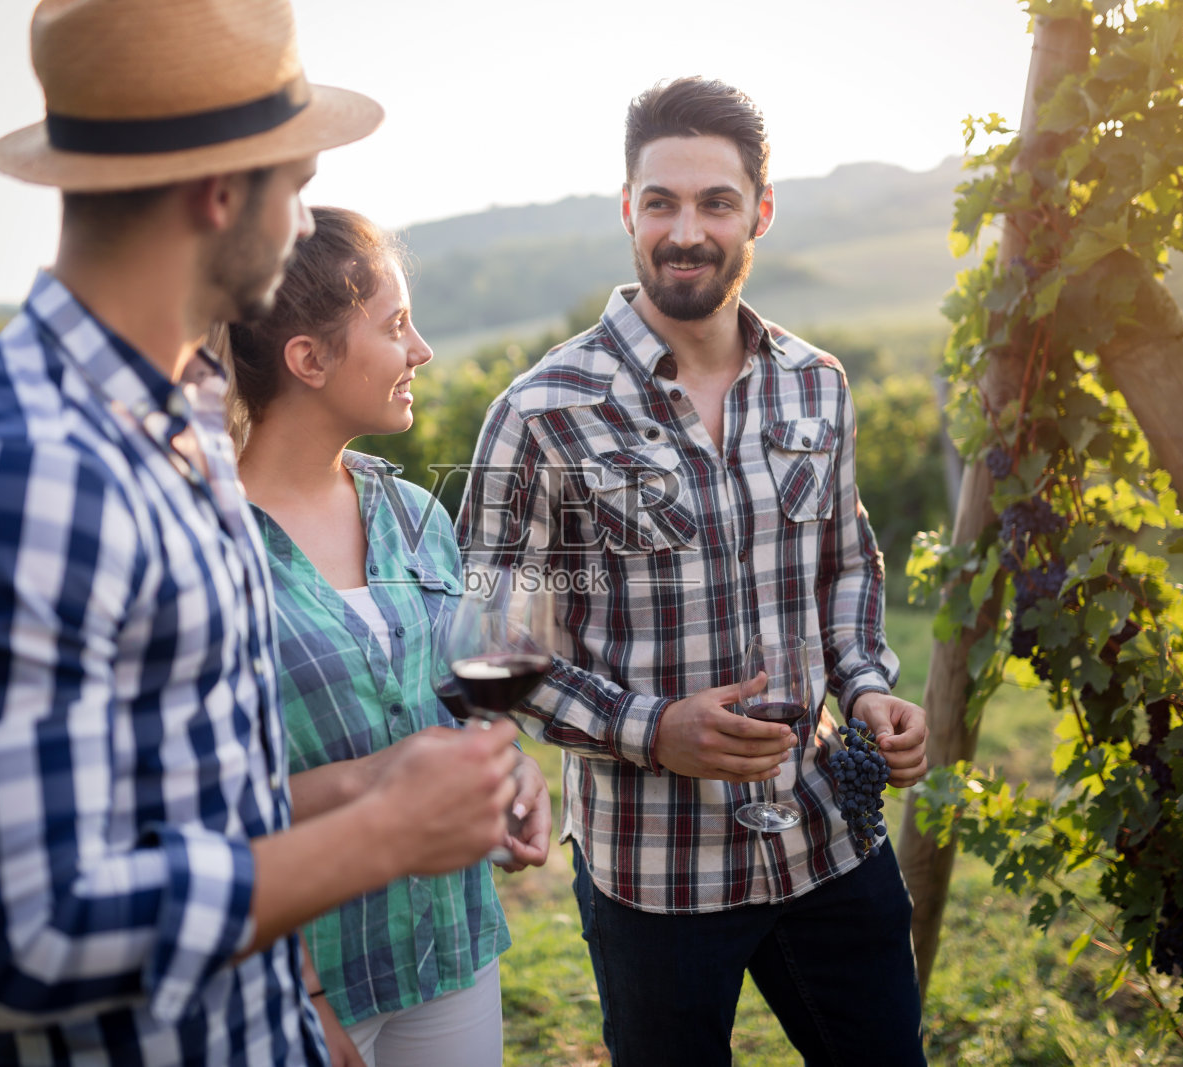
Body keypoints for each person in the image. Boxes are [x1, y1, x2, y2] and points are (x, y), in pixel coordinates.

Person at [0, 2, 520, 1064]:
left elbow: (198, 789)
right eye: (295, 187)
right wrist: (379, 835)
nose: (304, 224)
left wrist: (371, 785)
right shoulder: (12, 473)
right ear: (221, 191)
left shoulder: (180, 424)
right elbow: (23, 938)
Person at [456, 76, 931, 1065]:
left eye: (715, 201)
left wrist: (870, 685)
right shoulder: (542, 412)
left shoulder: (816, 383)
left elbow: (845, 562)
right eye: (661, 201)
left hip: (827, 840)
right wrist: (653, 729)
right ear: (627, 208)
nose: (686, 230)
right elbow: (489, 655)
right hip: (656, 872)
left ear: (759, 211)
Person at [219, 206, 551, 1067]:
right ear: (309, 359)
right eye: (395, 325)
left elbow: (460, 702)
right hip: (308, 974)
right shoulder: (208, 551)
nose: (422, 350)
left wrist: (508, 768)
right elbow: (202, 807)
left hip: (450, 950)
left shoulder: (415, 515)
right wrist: (374, 779)